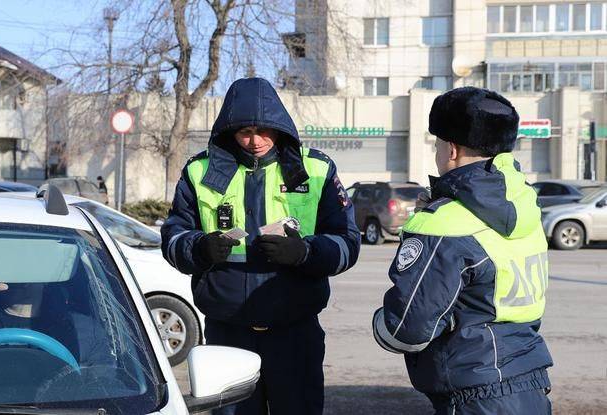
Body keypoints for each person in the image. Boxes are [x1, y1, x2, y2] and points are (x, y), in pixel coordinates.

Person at [161, 77, 360, 414]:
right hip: (228, 335)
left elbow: (348, 244)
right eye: (244, 132)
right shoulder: (199, 171)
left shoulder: (316, 170)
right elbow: (172, 238)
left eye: (264, 131)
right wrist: (199, 249)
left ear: (280, 126)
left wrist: (306, 253)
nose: (255, 141)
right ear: (229, 131)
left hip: (296, 334)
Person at [372, 87, 553, 414]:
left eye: (437, 144)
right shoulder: (526, 207)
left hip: (474, 394)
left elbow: (406, 330)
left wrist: (379, 323)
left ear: (451, 149)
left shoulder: (445, 222)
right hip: (530, 381)